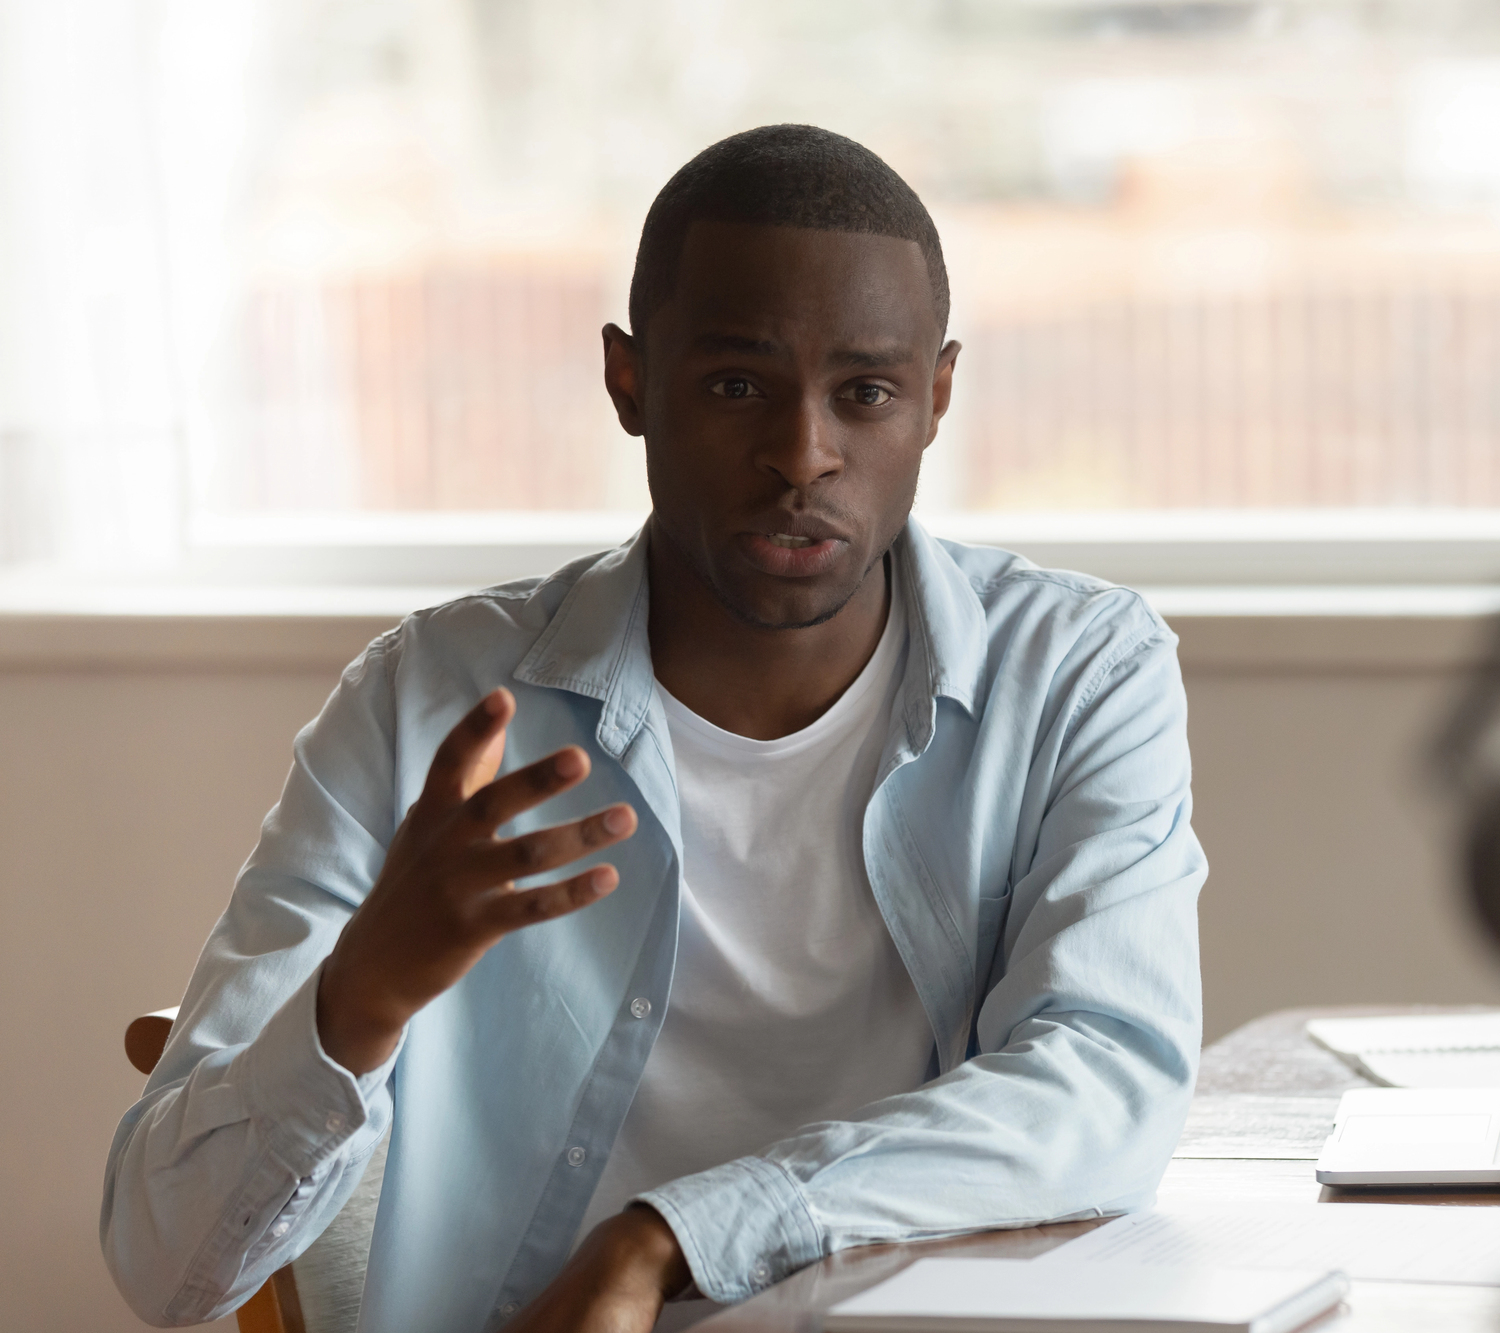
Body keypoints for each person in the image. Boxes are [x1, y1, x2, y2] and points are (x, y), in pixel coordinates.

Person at [101, 124, 1205, 1333]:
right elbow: (166, 1270)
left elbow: (1105, 1082)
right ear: (630, 382)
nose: (802, 455)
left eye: (866, 393)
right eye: (736, 385)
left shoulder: (1074, 672)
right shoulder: (432, 703)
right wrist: (361, 994)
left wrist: (671, 1235)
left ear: (935, 397)